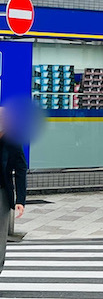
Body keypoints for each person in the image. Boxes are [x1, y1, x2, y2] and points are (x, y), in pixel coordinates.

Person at [0, 110, 28, 273]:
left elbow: (20, 169)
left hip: (2, 192)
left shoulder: (12, 141)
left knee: (0, 234)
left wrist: (20, 200)